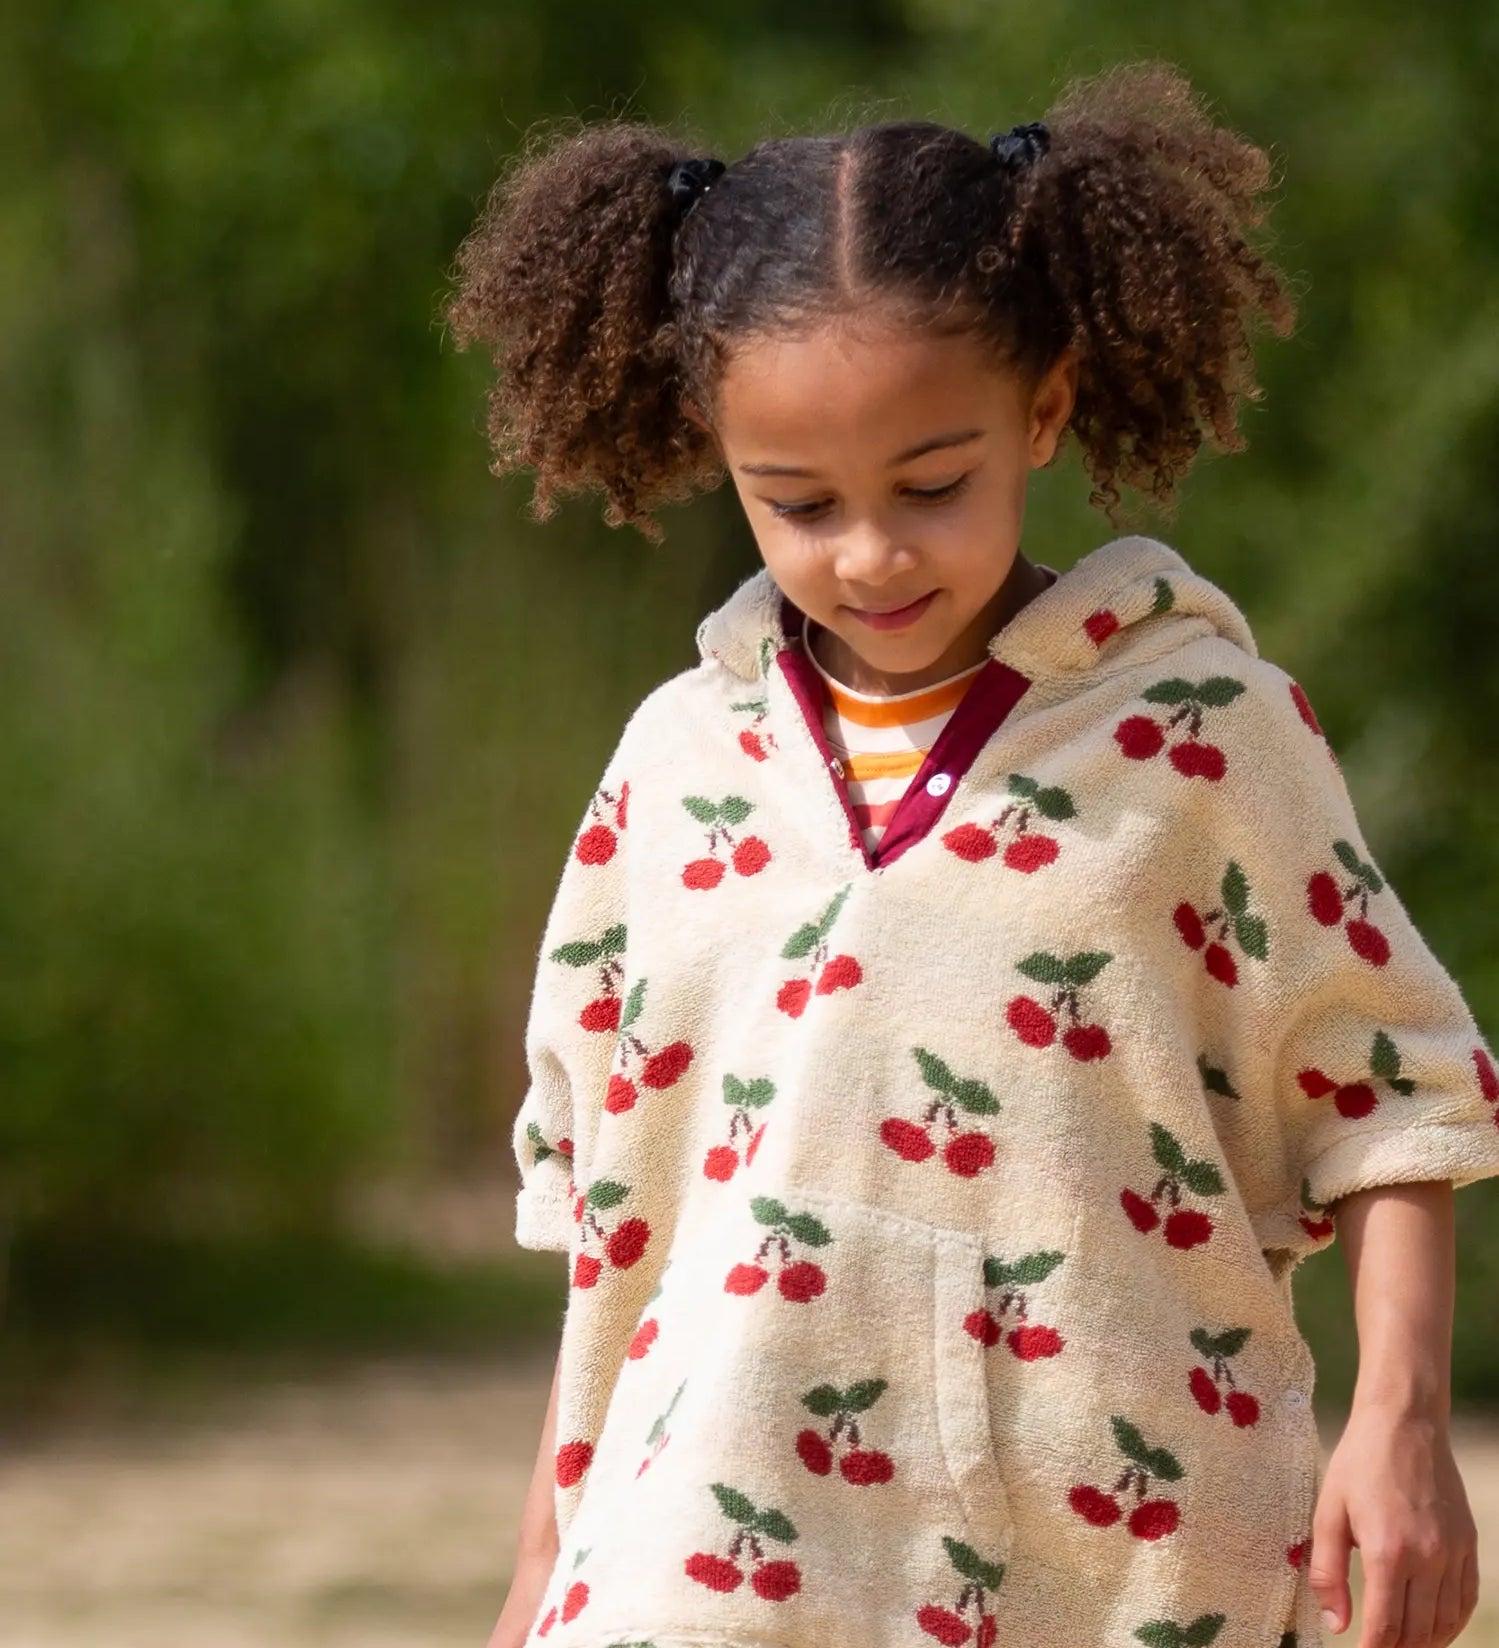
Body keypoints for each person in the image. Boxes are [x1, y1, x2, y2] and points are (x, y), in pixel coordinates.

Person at [445, 62, 1499, 1648]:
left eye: (933, 486)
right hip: (697, 1572)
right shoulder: (673, 769)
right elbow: (629, 1232)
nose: (867, 554)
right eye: (793, 502)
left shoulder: (1208, 737)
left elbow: (1396, 1105)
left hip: (1126, 1570)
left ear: (1048, 408)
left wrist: (1403, 1424)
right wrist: (552, 1549)